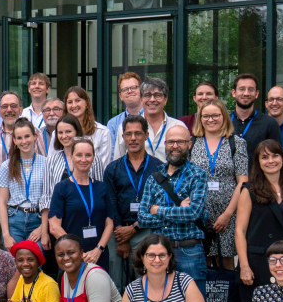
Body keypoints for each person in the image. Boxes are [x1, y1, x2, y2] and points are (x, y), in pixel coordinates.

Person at [236, 140, 283, 302]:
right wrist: (244, 266)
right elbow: (240, 231)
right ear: (258, 162)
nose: (271, 161)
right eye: (265, 157)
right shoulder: (249, 190)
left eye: (275, 155)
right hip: (259, 263)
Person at [135, 125, 208, 284]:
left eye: (180, 142)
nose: (175, 146)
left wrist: (157, 210)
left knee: (194, 300)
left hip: (189, 252)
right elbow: (142, 219)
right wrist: (179, 211)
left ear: (189, 144)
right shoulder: (154, 178)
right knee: (160, 299)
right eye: (171, 142)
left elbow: (193, 213)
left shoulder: (198, 175)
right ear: (165, 144)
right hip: (159, 254)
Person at [103, 115, 164, 291]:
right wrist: (121, 235)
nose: (133, 138)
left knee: (146, 279)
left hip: (146, 229)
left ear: (146, 135)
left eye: (138, 133)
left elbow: (159, 204)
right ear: (123, 137)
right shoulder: (113, 168)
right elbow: (111, 202)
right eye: (128, 134)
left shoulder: (159, 167)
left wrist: (134, 229)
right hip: (117, 231)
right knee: (116, 283)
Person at [190, 98, 250, 267]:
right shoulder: (192, 143)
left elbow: (242, 183)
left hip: (228, 214)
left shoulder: (236, 143)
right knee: (202, 261)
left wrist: (228, 214)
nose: (211, 120)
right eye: (206, 116)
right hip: (199, 215)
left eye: (215, 115)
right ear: (200, 118)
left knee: (226, 264)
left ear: (224, 116)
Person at [49, 138, 114, 272]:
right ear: (71, 157)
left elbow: (109, 224)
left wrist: (98, 249)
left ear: (93, 158)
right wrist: (76, 252)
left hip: (98, 256)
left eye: (88, 155)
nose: (83, 159)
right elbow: (54, 227)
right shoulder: (62, 188)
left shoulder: (102, 187)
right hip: (71, 257)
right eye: (79, 155)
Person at [0, 117, 50, 248]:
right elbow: (2, 202)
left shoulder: (46, 164)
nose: (24, 141)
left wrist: (43, 229)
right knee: (15, 259)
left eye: (27, 136)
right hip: (14, 219)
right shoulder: (7, 166)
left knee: (36, 258)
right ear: (14, 141)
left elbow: (50, 199)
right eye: (19, 138)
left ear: (35, 137)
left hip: (38, 219)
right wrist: (6, 235)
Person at [43, 114, 109, 199]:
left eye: (68, 131)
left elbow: (100, 190)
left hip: (88, 206)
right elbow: (46, 195)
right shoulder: (52, 161)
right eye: (60, 132)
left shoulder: (94, 158)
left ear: (77, 132)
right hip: (59, 207)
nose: (64, 136)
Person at [230, 74, 283, 158]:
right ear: (233, 93)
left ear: (257, 94)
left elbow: (276, 157)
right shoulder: (223, 122)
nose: (246, 93)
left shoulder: (269, 123)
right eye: (242, 89)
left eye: (251, 89)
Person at [139, 78, 186, 162]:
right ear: (141, 99)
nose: (152, 99)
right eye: (147, 95)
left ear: (165, 100)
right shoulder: (128, 128)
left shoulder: (178, 126)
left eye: (157, 95)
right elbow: (119, 161)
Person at [65, 87, 114, 164]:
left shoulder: (102, 132)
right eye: (70, 102)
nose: (74, 105)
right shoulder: (58, 133)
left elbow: (103, 165)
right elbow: (52, 162)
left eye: (78, 100)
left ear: (87, 103)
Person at [106, 72, 144, 150]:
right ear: (120, 96)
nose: (129, 91)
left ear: (141, 91)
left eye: (133, 87)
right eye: (125, 89)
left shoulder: (152, 118)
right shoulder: (113, 124)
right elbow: (112, 154)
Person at [264, 85, 283, 150]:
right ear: (266, 104)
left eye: (279, 99)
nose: (274, 103)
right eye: (271, 99)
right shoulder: (258, 127)